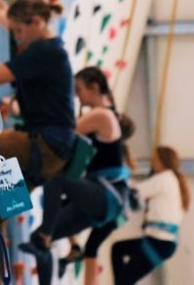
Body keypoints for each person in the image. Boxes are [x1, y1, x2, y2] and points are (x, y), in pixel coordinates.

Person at [0, 0, 76, 285]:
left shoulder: (45, 50)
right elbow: (2, 10)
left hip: (44, 147)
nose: (17, 37)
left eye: (20, 31)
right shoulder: (48, 49)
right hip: (50, 156)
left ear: (35, 22)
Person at [18, 67, 132, 276]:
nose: (76, 95)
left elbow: (65, 134)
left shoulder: (102, 115)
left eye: (78, 89)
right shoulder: (105, 115)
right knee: (38, 241)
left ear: (94, 87)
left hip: (107, 196)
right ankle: (42, 239)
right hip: (99, 199)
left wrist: (25, 111)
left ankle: (43, 234)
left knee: (55, 178)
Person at [57, 114, 137, 285]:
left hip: (112, 209)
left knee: (92, 248)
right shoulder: (118, 151)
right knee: (65, 206)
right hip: (113, 210)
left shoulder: (113, 149)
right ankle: (74, 247)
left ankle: (69, 246)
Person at [110, 145, 189, 285]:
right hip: (161, 242)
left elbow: (136, 191)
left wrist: (121, 177)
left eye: (155, 159)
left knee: (124, 277)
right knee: (118, 251)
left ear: (162, 160)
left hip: (159, 242)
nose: (152, 162)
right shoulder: (172, 181)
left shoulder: (165, 178)